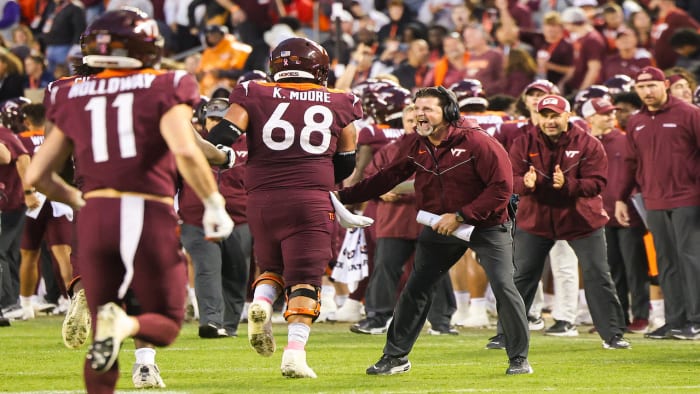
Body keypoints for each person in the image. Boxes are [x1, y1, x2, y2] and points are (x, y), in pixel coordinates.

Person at [24, 9, 233, 393]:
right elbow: (187, 151)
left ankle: (113, 336)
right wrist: (213, 200)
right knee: (165, 319)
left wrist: (78, 201)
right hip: (144, 206)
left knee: (104, 322)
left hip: (94, 210)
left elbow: (36, 175)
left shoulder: (67, 91)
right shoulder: (165, 84)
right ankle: (140, 351)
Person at [337, 86, 532, 376]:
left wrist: (461, 215)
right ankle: (395, 357)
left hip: (487, 224)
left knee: (504, 285)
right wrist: (343, 196)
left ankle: (518, 358)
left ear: (449, 112)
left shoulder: (479, 142)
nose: (419, 114)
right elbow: (388, 177)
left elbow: (502, 190)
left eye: (427, 109)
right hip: (442, 226)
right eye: (416, 109)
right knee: (416, 289)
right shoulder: (416, 143)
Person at [205, 37, 362, 378]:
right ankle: (294, 353)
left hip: (261, 198)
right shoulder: (341, 100)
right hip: (311, 198)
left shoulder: (253, 92)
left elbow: (222, 135)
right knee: (305, 278)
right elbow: (347, 162)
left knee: (272, 265)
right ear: (319, 69)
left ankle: (261, 303)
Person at [507, 93, 630, 350]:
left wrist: (569, 185)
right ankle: (505, 333)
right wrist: (524, 184)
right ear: (538, 117)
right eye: (545, 115)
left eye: (555, 115)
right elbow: (511, 178)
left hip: (580, 219)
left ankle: (613, 334)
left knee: (598, 274)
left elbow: (597, 183)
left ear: (567, 115)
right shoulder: (523, 142)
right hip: (537, 218)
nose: (550, 121)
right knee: (522, 276)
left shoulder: (589, 143)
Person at [614, 66, 700, 340]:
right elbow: (630, 164)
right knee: (666, 261)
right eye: (642, 87)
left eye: (652, 85)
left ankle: (696, 320)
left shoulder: (689, 114)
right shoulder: (637, 121)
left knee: (691, 258)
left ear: (664, 85)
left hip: (689, 197)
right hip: (653, 200)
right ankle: (675, 320)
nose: (647, 91)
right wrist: (620, 198)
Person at [581, 97, 650, 333]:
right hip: (597, 215)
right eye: (604, 113)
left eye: (611, 112)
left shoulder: (624, 140)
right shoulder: (584, 143)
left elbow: (637, 174)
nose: (611, 116)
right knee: (611, 270)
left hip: (627, 213)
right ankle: (616, 318)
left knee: (635, 268)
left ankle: (641, 317)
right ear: (590, 118)